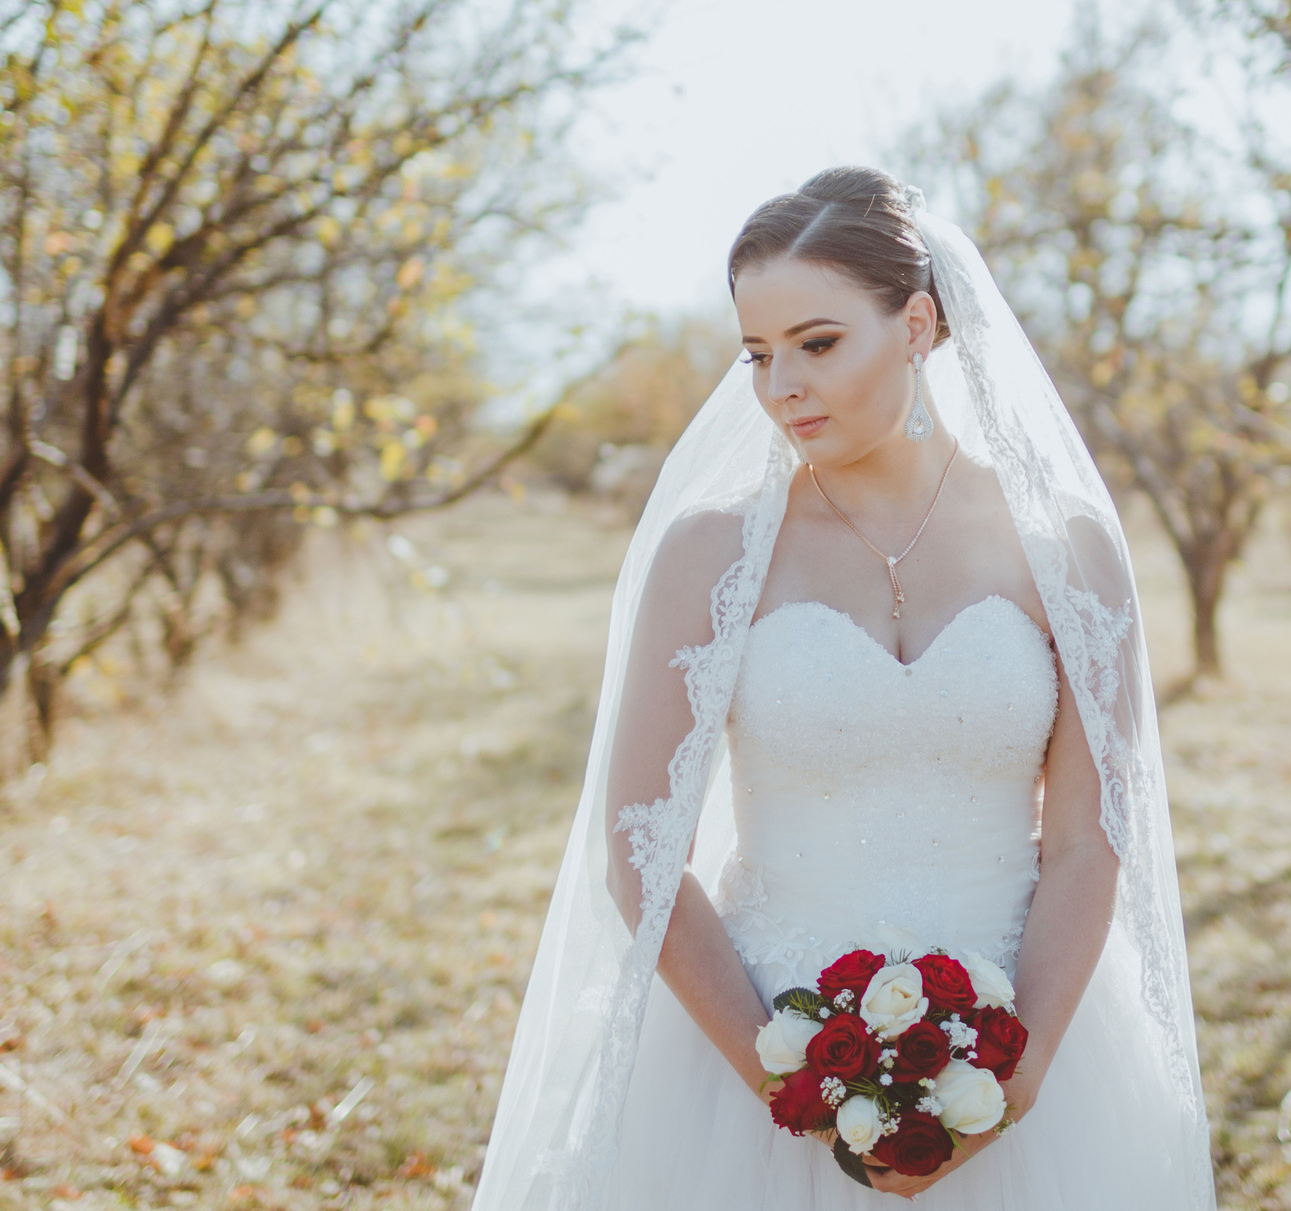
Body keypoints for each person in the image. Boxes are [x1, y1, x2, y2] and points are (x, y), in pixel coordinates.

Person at [472, 168, 1214, 1209]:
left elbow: (1090, 840)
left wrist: (1021, 1073)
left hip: (1030, 1030)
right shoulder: (711, 554)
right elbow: (641, 851)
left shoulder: (1067, 551)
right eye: (758, 354)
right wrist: (794, 1084)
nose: (781, 387)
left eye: (817, 344)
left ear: (916, 325)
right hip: (757, 1050)